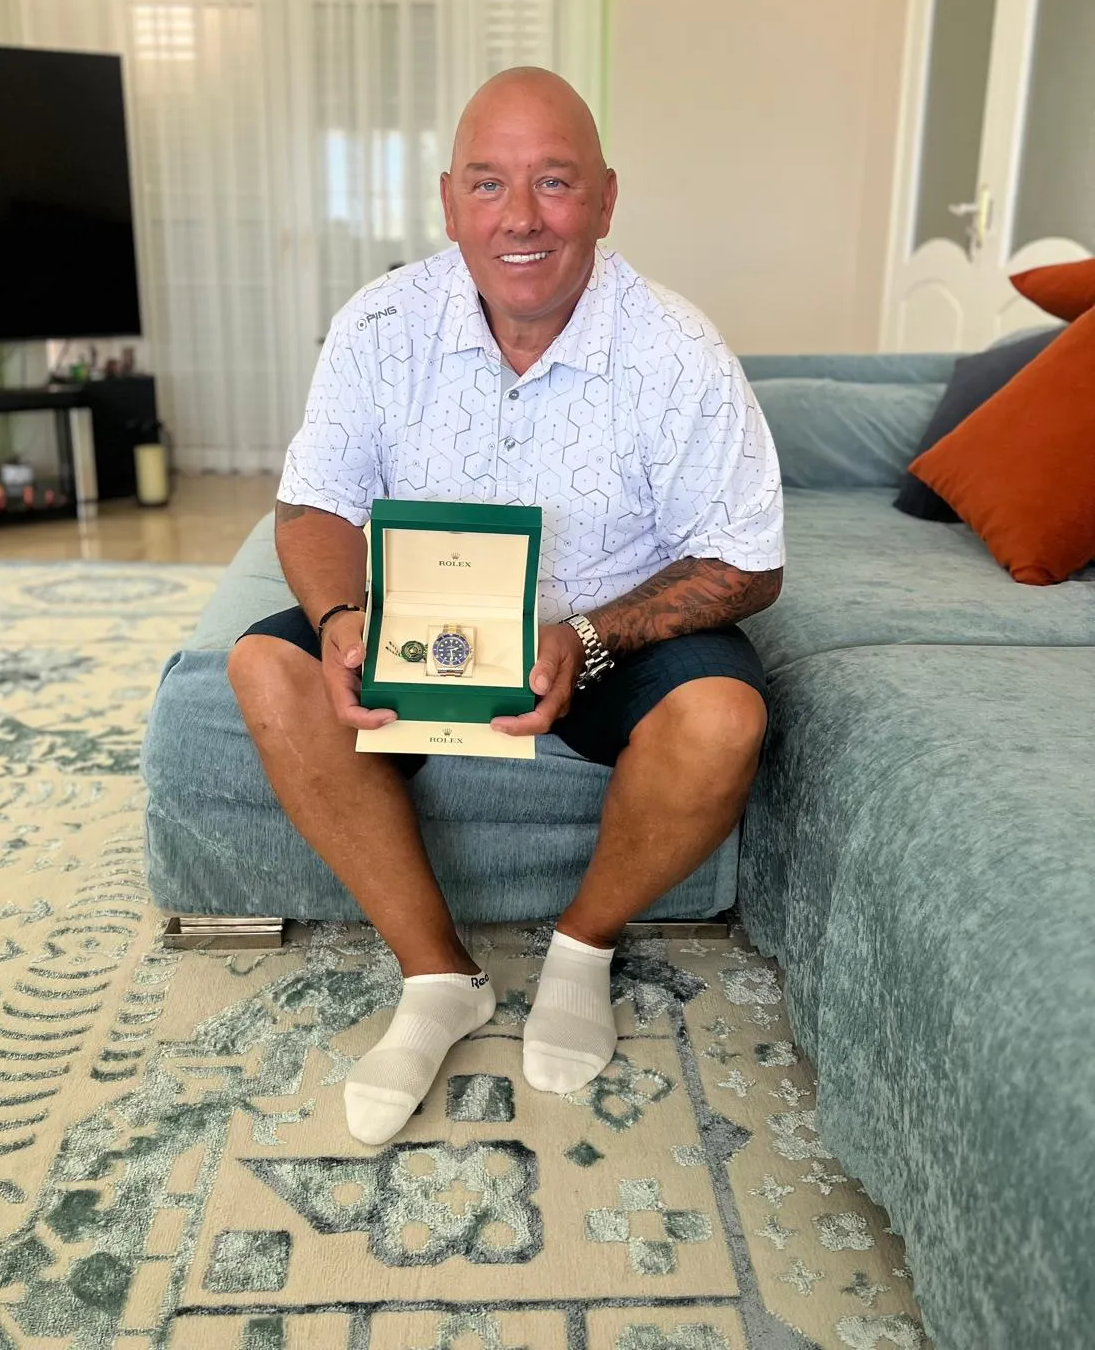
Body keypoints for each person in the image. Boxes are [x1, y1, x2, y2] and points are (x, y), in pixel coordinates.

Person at [228, 67, 784, 1145]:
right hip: (423, 624)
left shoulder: (678, 350)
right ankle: (438, 979)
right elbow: (312, 504)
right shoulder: (378, 322)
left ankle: (581, 951)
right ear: (448, 202)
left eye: (555, 182)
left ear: (608, 199)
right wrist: (343, 617)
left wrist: (585, 636)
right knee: (265, 664)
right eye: (489, 184)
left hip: (605, 630)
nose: (520, 218)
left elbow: (749, 563)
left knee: (727, 718)